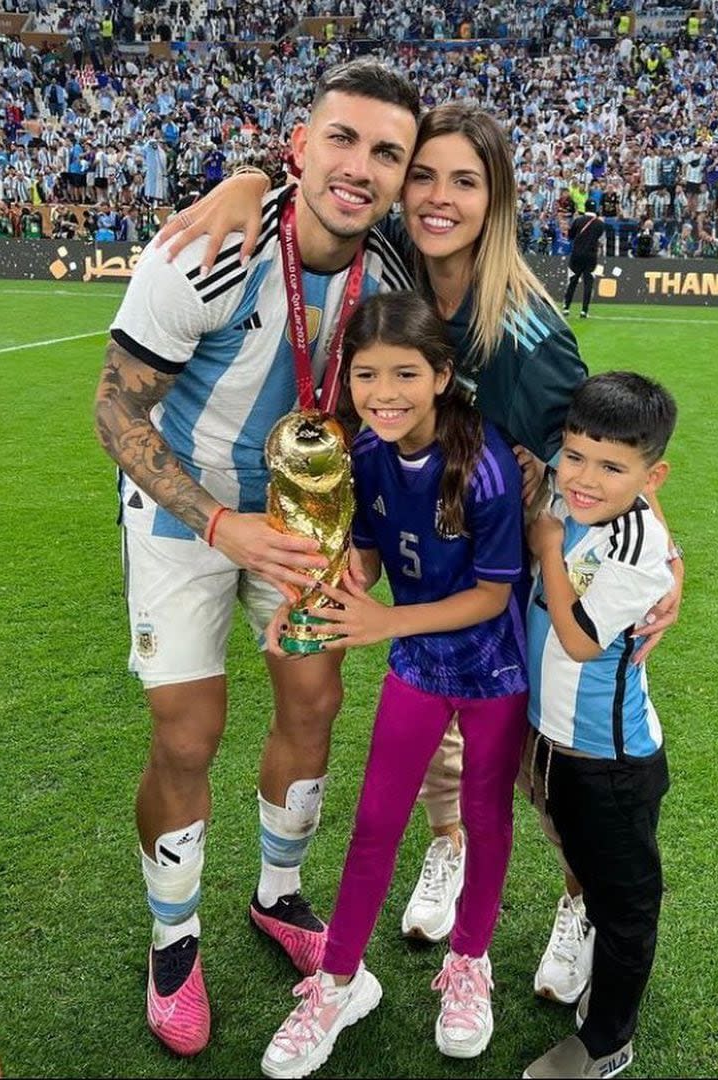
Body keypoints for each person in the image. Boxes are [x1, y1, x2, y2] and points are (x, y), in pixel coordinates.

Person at [158, 100, 682, 1023]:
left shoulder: (524, 326)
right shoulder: (395, 258)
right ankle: (447, 850)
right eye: (424, 175)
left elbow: (597, 450)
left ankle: (578, 902)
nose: (437, 197)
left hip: (517, 563)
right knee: (445, 739)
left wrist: (662, 560)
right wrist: (248, 182)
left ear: (498, 197)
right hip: (424, 550)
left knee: (533, 755)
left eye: (464, 181)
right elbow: (317, 196)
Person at [93, 59, 421, 1057]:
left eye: (386, 153)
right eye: (342, 139)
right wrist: (216, 524)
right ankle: (173, 939)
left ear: (403, 177)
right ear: (300, 143)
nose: (359, 167)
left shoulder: (394, 278)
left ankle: (279, 895)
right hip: (181, 507)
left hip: (304, 518)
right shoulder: (208, 249)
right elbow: (115, 407)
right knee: (188, 736)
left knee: (314, 703)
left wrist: (353, 536)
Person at [260, 291, 529, 1078]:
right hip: (417, 668)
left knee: (485, 817)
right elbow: (369, 560)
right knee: (375, 821)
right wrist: (310, 605)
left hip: (491, 673)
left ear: (442, 375)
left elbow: (490, 594)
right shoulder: (366, 458)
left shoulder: (483, 466)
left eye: (405, 374)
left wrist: (384, 625)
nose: (383, 393)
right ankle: (339, 981)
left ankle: (470, 966)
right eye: (366, 374)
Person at [522, 371, 679, 1080]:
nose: (584, 479)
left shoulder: (635, 549)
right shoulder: (568, 495)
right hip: (548, 745)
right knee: (582, 867)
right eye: (575, 455)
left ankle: (607, 1040)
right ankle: (581, 936)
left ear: (653, 476)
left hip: (608, 764)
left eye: (612, 467)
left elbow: (582, 640)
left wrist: (548, 546)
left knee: (625, 905)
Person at [562, 208, 605, 318]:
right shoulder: (599, 223)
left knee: (573, 281)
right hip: (591, 256)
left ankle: (566, 307)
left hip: (577, 254)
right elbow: (600, 238)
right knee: (588, 283)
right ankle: (584, 311)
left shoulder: (578, 220)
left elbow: (570, 236)